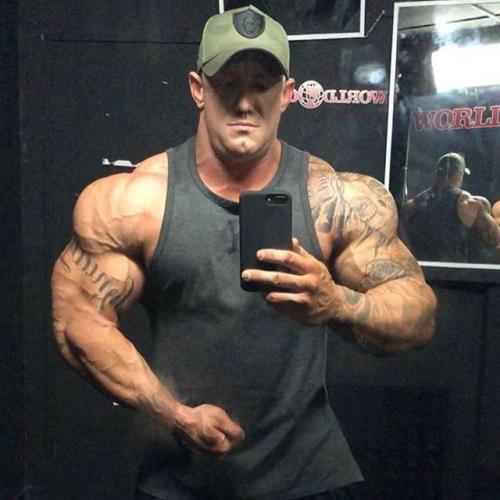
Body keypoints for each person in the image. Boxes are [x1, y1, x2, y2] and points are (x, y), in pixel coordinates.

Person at [51, 5, 437, 500]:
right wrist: (175, 415)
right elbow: (78, 322)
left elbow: (419, 314)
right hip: (181, 480)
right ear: (198, 89)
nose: (246, 103)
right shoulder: (135, 201)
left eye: (262, 85)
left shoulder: (337, 199)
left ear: (288, 94)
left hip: (310, 477)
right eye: (228, 84)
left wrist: (337, 304)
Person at [402, 152, 500, 262]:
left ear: (436, 174)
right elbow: (494, 240)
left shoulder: (411, 207)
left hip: (421, 271)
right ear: (459, 175)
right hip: (458, 272)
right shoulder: (471, 204)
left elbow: (403, 248)